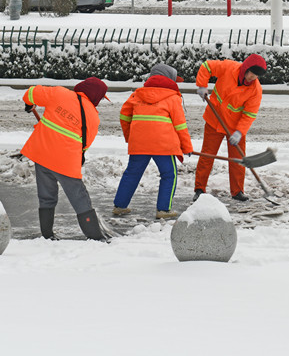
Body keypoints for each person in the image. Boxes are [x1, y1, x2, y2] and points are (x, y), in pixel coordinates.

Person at [21, 77, 113, 241]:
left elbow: (31, 92)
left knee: (46, 196)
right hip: (66, 162)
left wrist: (29, 103)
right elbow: (85, 144)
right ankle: (95, 236)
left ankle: (47, 235)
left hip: (41, 154)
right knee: (79, 197)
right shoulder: (93, 116)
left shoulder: (58, 93)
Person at [113, 63, 193, 219]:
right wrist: (186, 146)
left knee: (132, 173)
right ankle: (163, 209)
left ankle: (120, 206)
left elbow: (124, 116)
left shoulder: (137, 94)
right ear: (168, 79)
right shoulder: (172, 98)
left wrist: (130, 136)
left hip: (140, 143)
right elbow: (180, 126)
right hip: (163, 145)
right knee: (169, 175)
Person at [193, 54, 267, 202]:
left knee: (238, 159)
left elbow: (249, 114)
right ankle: (199, 189)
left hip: (235, 128)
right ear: (246, 68)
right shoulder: (229, 68)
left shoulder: (255, 90)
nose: (253, 78)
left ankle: (237, 191)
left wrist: (240, 132)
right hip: (215, 120)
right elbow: (207, 66)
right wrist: (202, 85)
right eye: (252, 73)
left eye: (257, 76)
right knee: (207, 155)